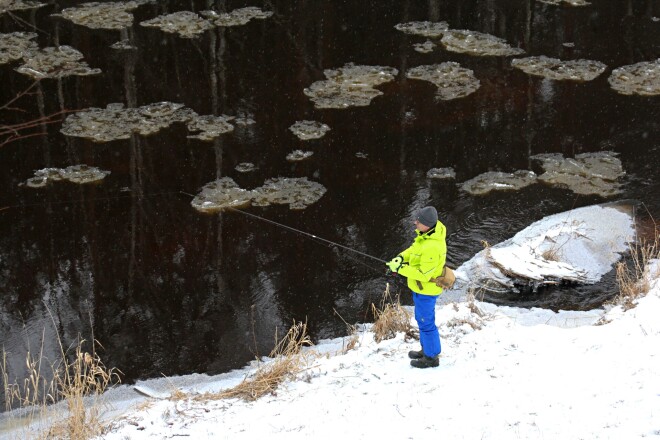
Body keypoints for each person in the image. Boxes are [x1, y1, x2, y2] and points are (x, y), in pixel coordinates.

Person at [386, 206, 447, 368]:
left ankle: (432, 358)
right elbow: (414, 249)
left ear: (427, 224)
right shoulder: (427, 235)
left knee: (426, 323)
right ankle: (426, 349)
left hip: (426, 291)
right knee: (422, 321)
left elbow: (423, 274)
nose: (415, 222)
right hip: (421, 289)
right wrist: (400, 258)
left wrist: (399, 268)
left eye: (418, 221)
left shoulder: (432, 246)